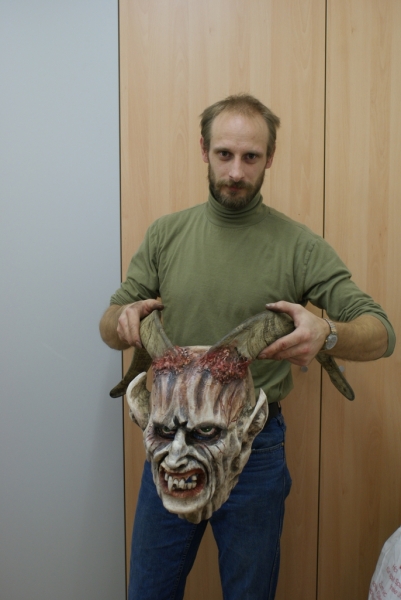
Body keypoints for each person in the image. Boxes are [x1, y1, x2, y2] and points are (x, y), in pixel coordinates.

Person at [99, 94, 395, 600]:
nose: (236, 171)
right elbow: (110, 323)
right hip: (170, 442)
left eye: (250, 157)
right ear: (204, 150)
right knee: (149, 591)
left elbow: (381, 332)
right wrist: (122, 322)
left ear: (269, 158)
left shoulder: (300, 246)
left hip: (255, 449)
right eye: (224, 154)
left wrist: (328, 333)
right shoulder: (166, 235)